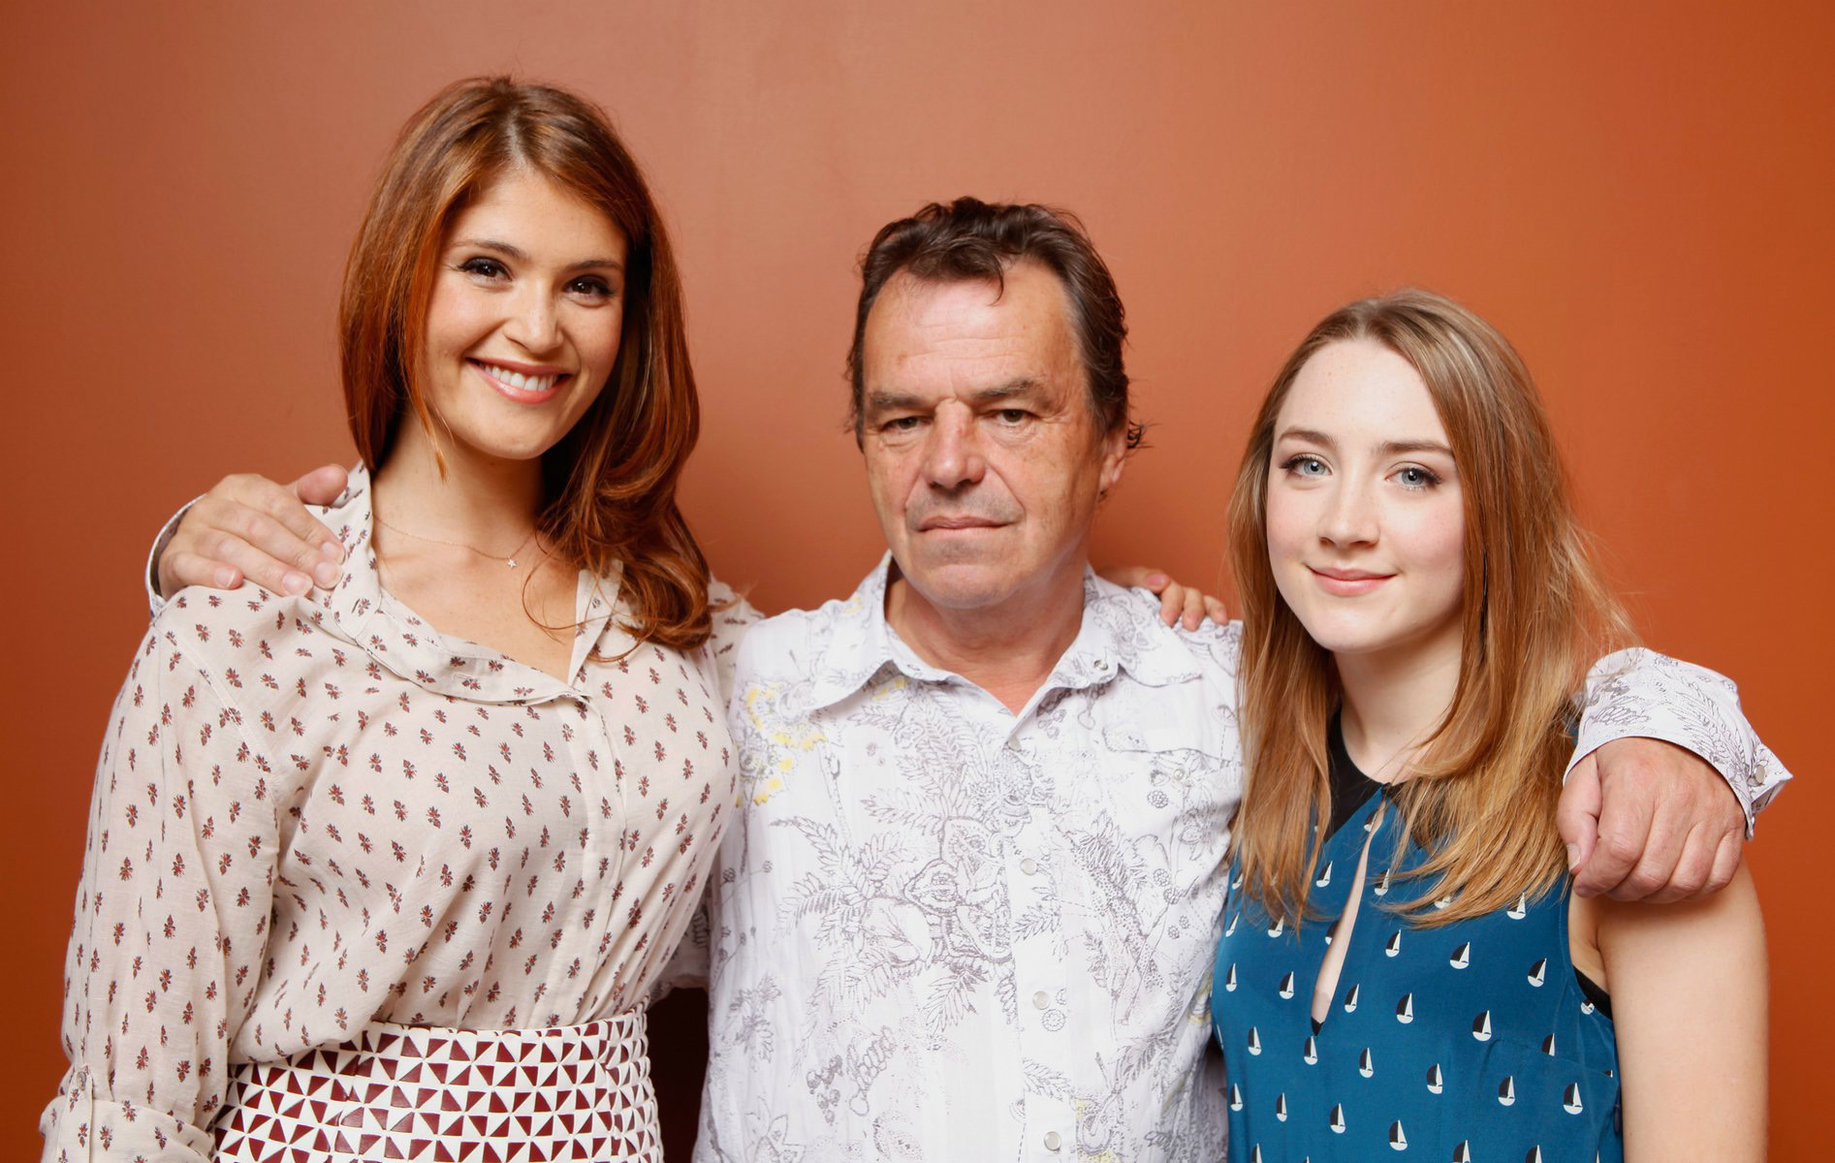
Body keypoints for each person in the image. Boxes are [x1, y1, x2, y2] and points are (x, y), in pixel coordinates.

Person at [144, 200, 1785, 1161]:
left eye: (1013, 410)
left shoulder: (1237, 702)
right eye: (902, 417)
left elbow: (1464, 692)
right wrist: (208, 548)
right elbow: (467, 719)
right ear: (856, 436)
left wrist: (1666, 716)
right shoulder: (713, 691)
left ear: (1117, 438)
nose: (954, 465)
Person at [42, 77, 752, 1161]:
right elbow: (130, 1100)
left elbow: (890, 683)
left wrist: (1109, 610)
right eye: (487, 267)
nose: (538, 327)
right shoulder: (245, 627)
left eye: (589, 285)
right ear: (401, 280)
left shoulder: (671, 618)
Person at [1211, 289, 1775, 1161]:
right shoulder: (1238, 773)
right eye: (1307, 465)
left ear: (1499, 510)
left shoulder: (1635, 821)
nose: (1342, 525)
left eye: (1413, 474)